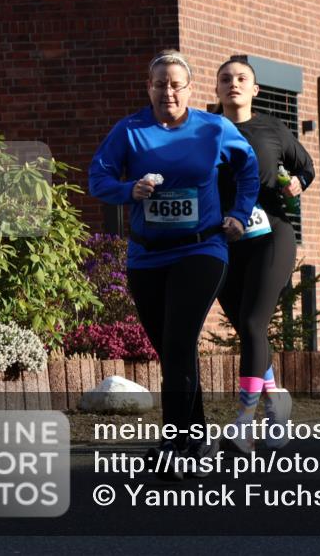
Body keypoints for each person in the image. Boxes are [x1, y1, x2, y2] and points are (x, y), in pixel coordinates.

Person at [89, 50, 259, 480]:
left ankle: (177, 446)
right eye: (160, 84)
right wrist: (131, 190)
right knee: (170, 351)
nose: (168, 91)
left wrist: (239, 213)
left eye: (176, 84)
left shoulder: (214, 128)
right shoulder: (129, 131)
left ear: (189, 89)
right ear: (149, 88)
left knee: (180, 343)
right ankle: (197, 440)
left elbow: (248, 170)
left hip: (201, 250)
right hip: (146, 254)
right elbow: (98, 179)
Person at [214, 55, 315, 451]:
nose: (233, 83)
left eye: (241, 78)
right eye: (225, 79)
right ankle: (275, 399)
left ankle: (244, 420)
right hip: (223, 240)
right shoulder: (206, 127)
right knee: (243, 324)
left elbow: (305, 168)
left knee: (255, 323)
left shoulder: (272, 127)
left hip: (270, 235)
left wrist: (297, 186)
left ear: (254, 89)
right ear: (217, 88)